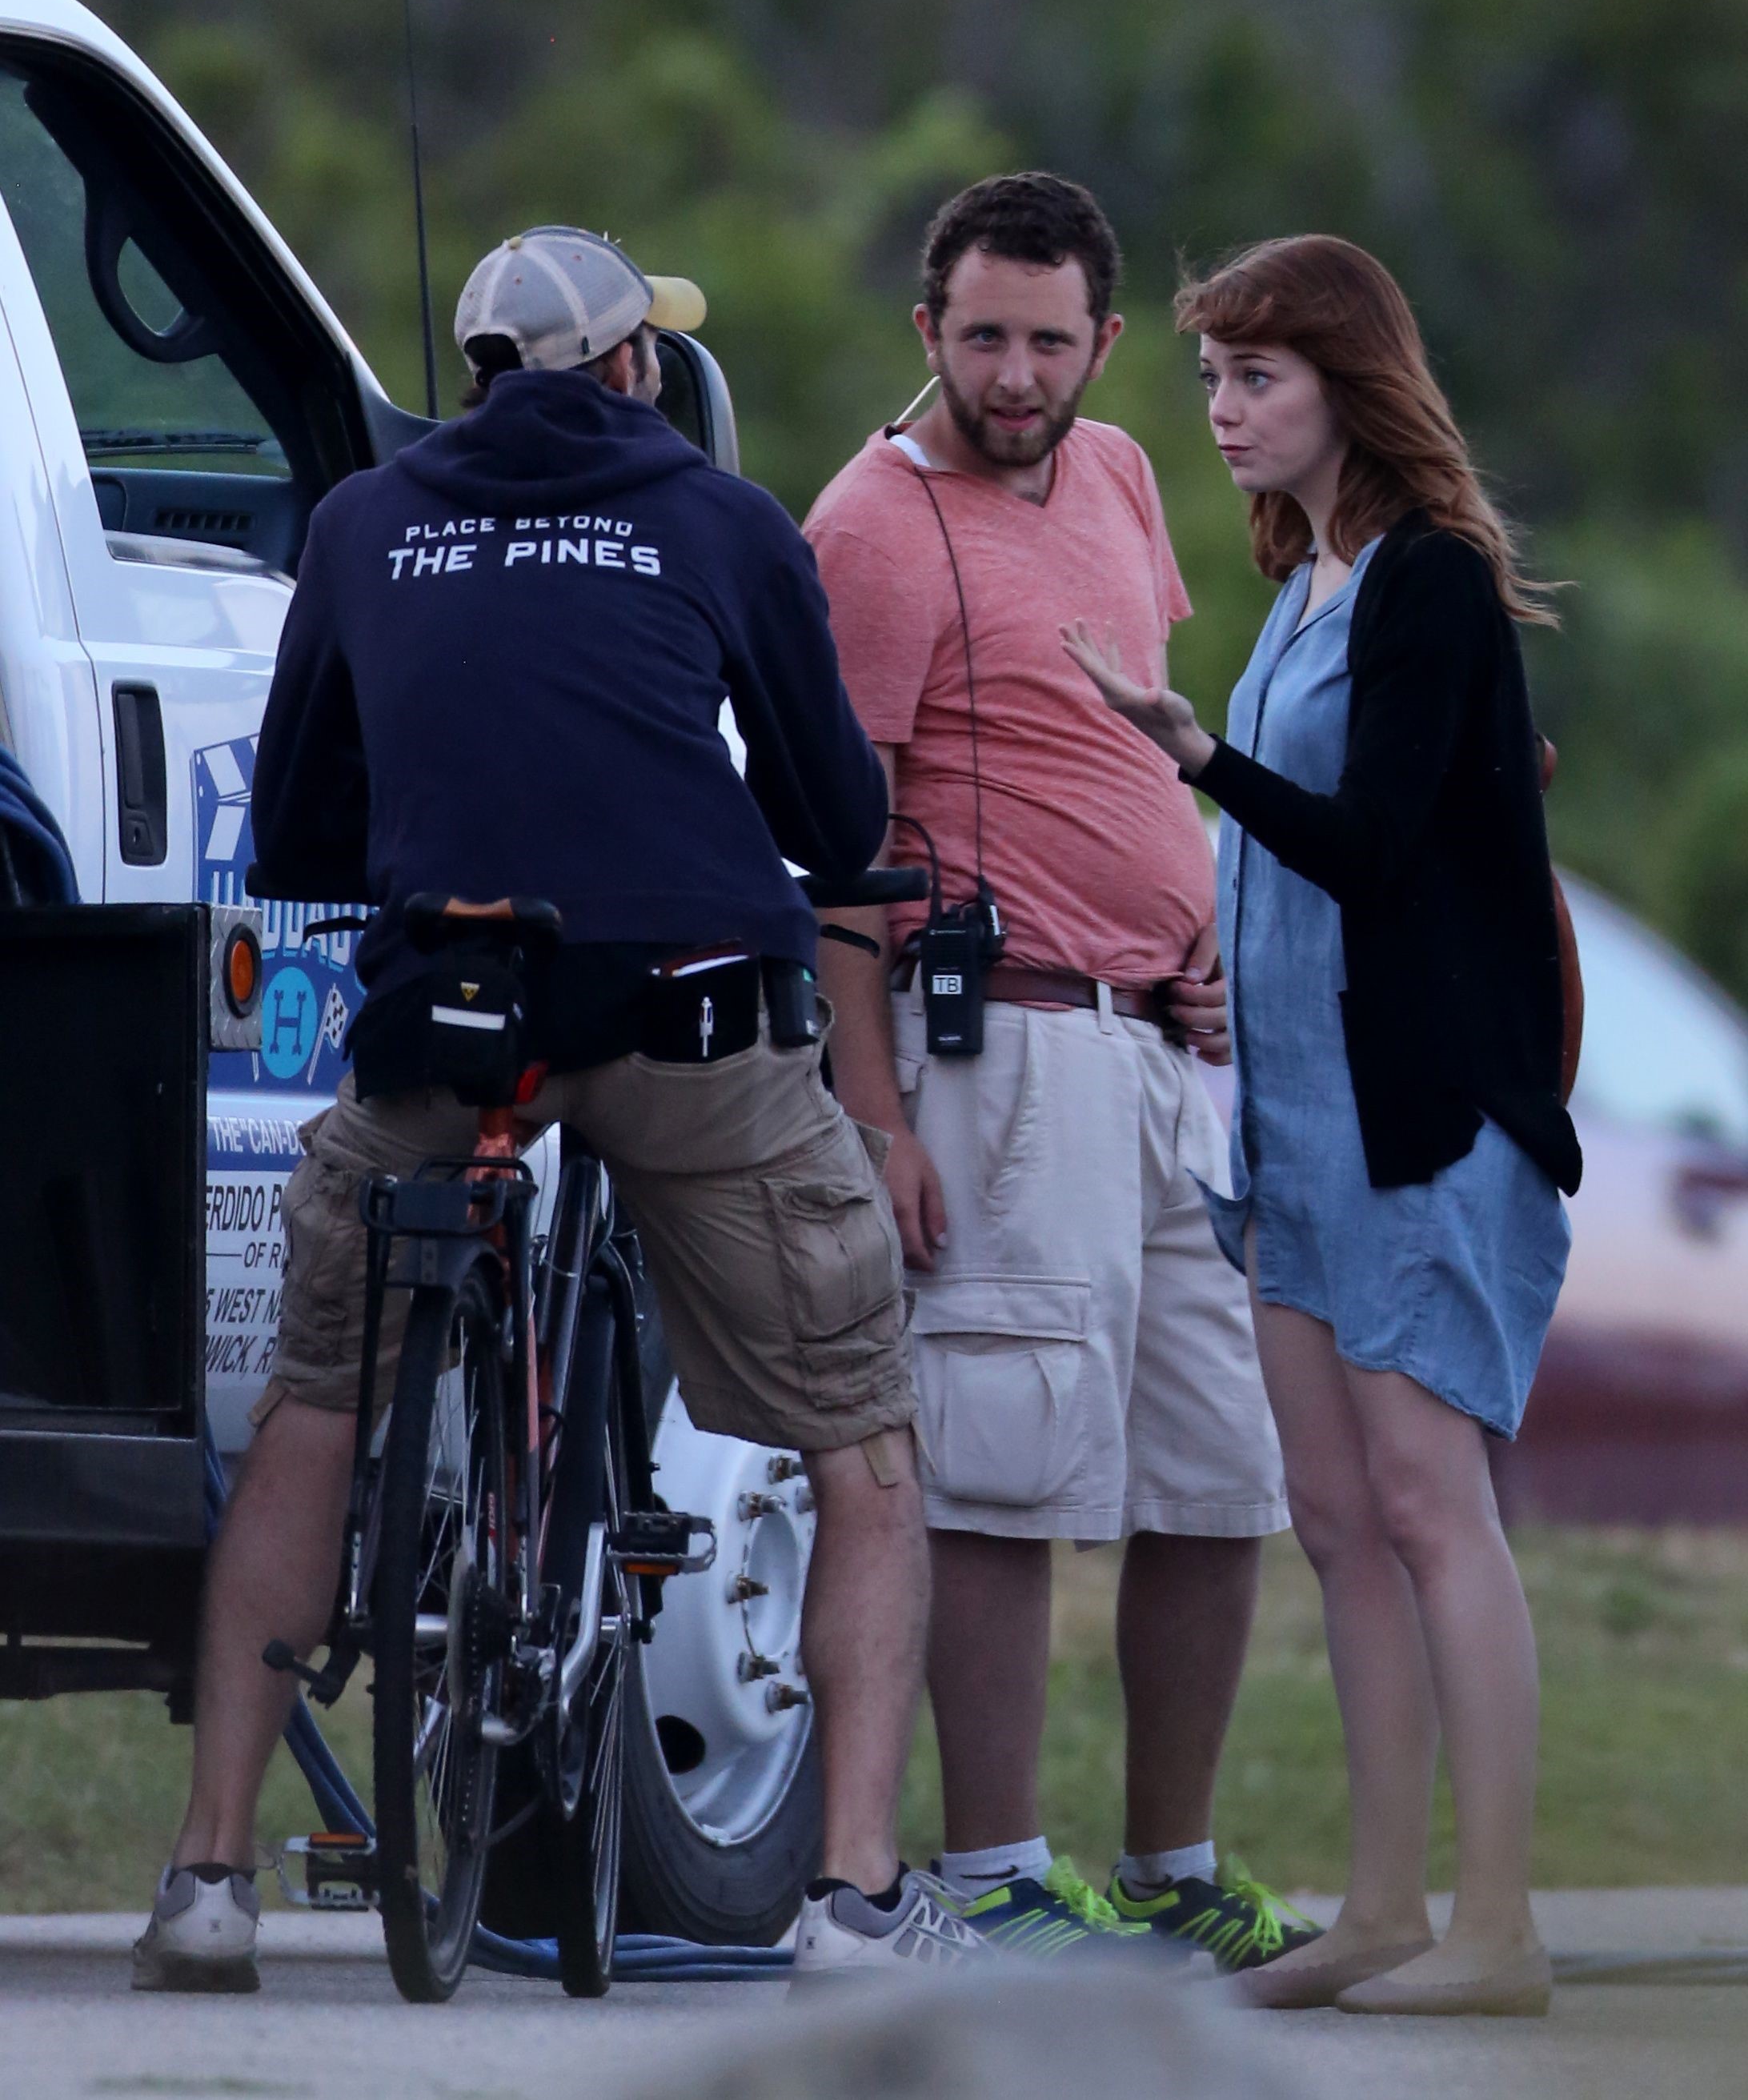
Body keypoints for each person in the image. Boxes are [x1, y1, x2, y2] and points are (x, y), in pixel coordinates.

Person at [134, 225, 984, 1991]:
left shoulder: (363, 524)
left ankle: (208, 1877)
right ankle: (850, 1898)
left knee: (313, 1401)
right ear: (633, 368)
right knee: (860, 1438)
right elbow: (836, 818)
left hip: (451, 1027)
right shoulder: (722, 520)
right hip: (690, 1028)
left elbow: (294, 835)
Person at [1064, 233, 1579, 2019]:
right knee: (1340, 1520)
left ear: (1347, 384)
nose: (1222, 409)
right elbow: (1300, 878)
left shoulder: (1428, 578)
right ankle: (1380, 1913)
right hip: (1289, 1131)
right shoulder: (1302, 585)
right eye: (1212, 376)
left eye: (1257, 377)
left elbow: (1372, 848)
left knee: (1435, 1509)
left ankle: (1497, 1926)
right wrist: (1224, 961)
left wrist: (1195, 756)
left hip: (1420, 1121)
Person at [804, 174, 1314, 1970]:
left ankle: (1170, 1864)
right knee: (1000, 1463)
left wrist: (1203, 936)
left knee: (1221, 1471)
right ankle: (996, 1870)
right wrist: (875, 1118)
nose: (1013, 377)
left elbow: (1136, 748)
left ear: (1102, 342)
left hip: (1159, 1054)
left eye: (1047, 341)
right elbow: (843, 854)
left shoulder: (1117, 474)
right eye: (981, 338)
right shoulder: (871, 528)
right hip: (999, 1051)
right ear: (926, 330)